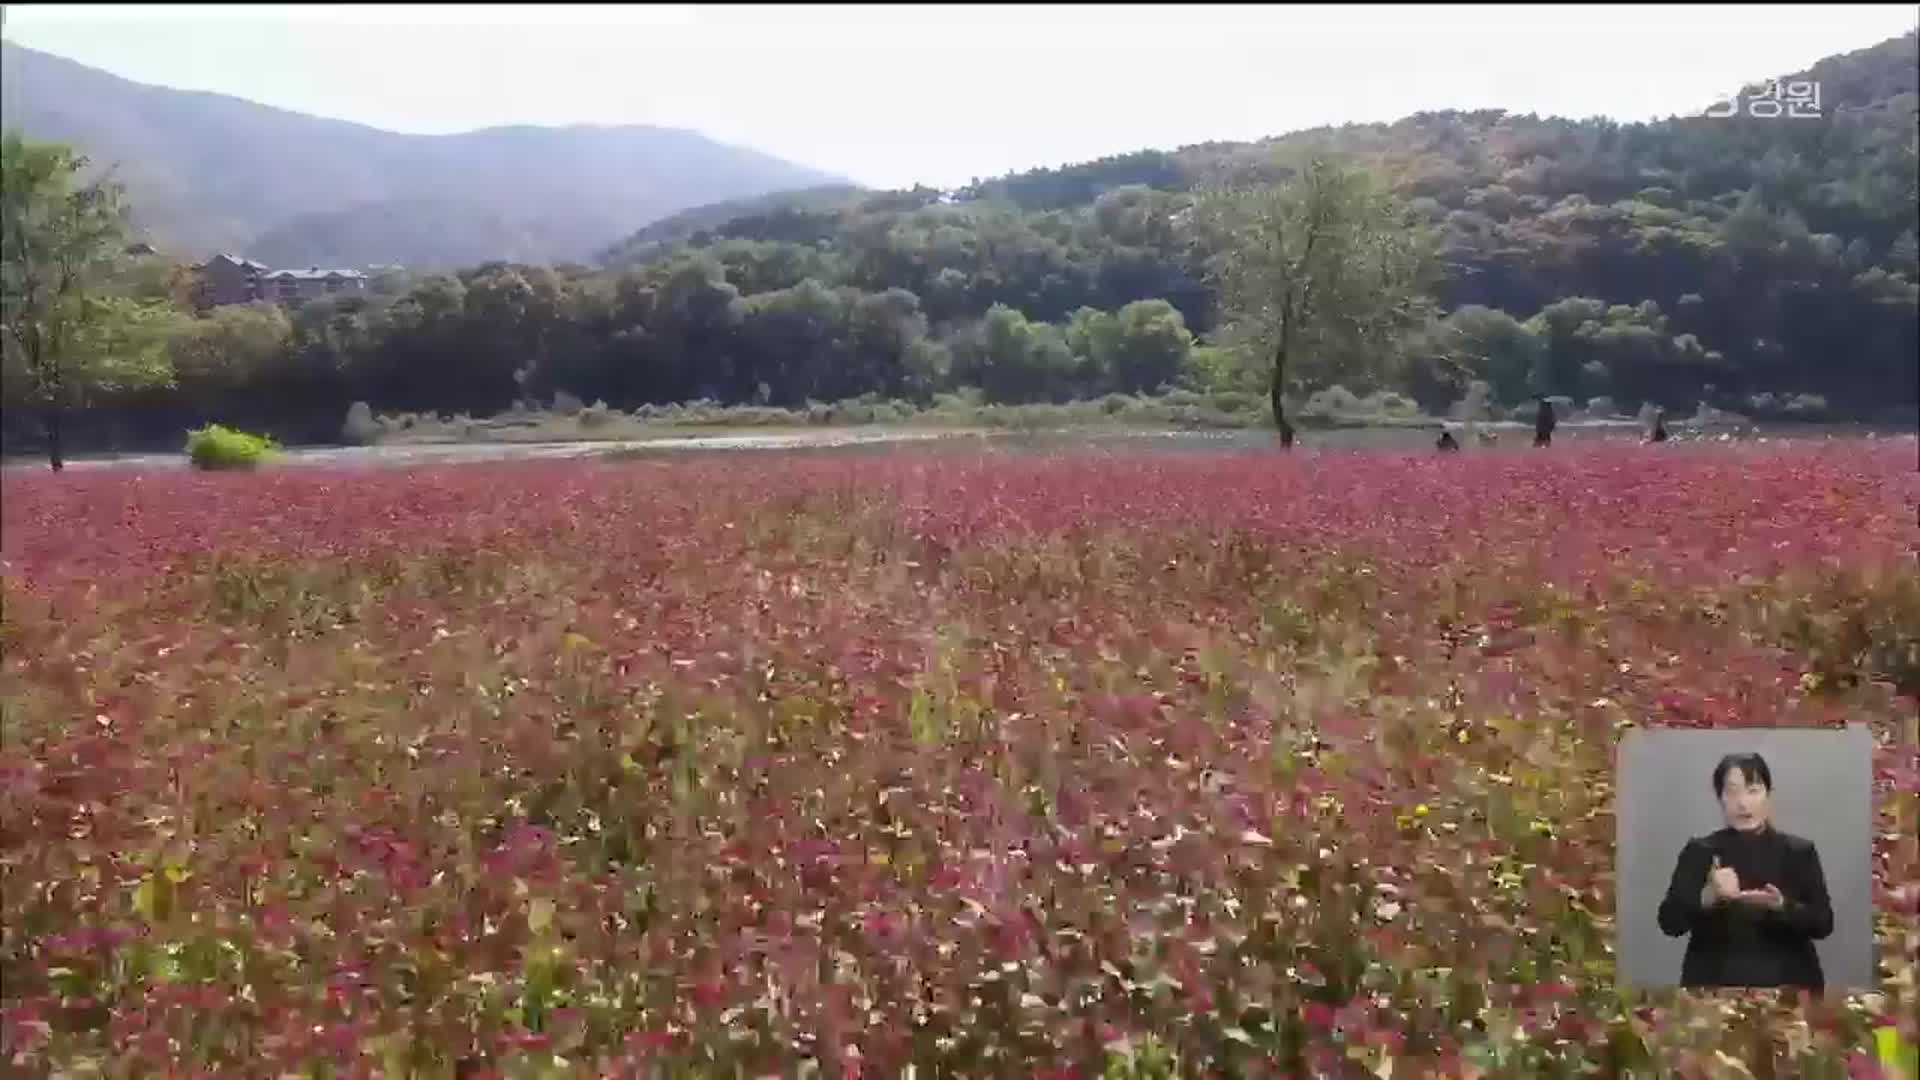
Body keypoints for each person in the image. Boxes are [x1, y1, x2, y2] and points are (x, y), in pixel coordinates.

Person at [1656, 752, 1833, 990]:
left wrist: (1782, 906)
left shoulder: (1798, 852)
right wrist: (1708, 897)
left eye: (1753, 791)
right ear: (1720, 798)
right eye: (1732, 792)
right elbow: (1670, 923)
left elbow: (1823, 924)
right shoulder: (1701, 851)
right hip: (1714, 989)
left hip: (1788, 987)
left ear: (1768, 795)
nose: (1743, 803)